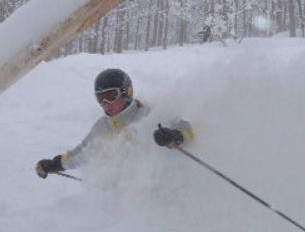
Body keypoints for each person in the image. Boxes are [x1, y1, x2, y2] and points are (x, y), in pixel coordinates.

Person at [35, 68, 194, 179]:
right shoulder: (102, 127)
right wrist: (55, 165)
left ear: (127, 92)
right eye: (100, 98)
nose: (106, 103)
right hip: (126, 194)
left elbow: (188, 130)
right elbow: (83, 153)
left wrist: (175, 136)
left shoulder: (150, 114)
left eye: (111, 96)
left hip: (157, 188)